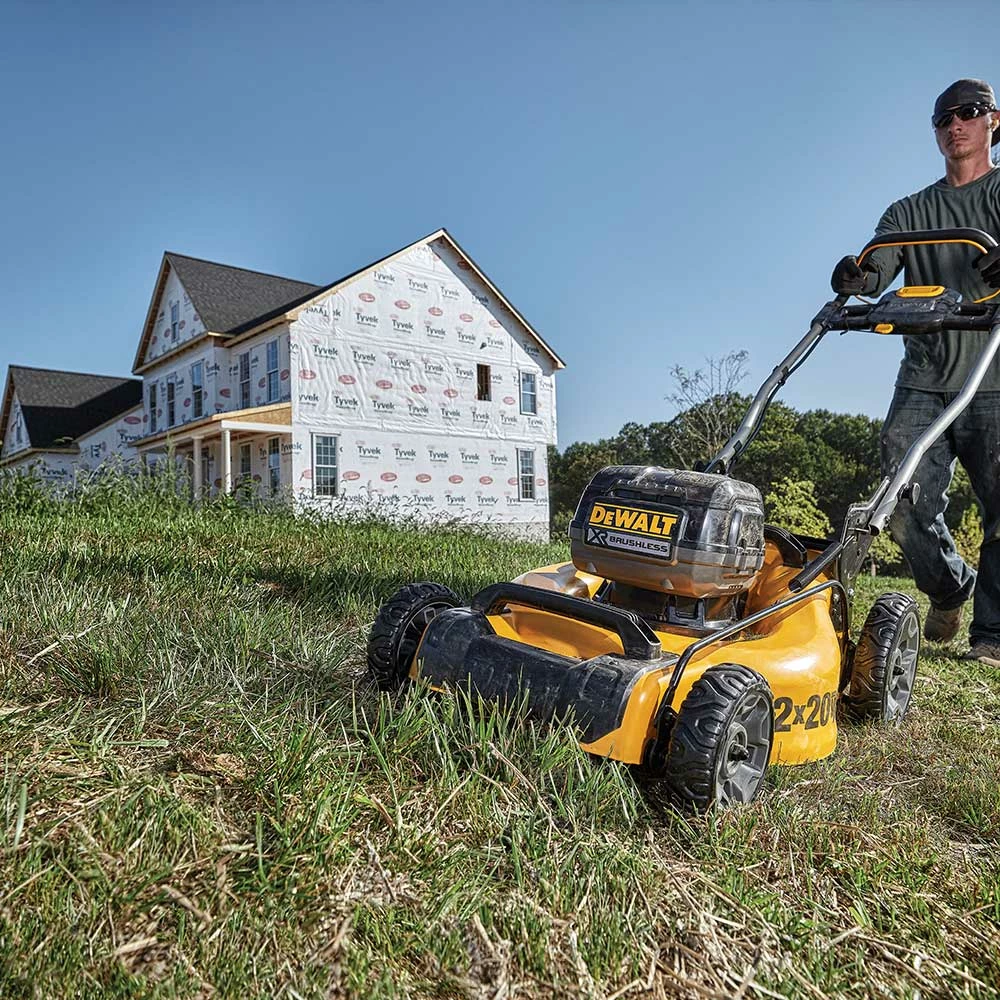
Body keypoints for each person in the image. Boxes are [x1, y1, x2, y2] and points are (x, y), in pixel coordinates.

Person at [831, 79, 1000, 663]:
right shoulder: (909, 211)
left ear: (993, 121)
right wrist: (858, 277)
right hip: (925, 377)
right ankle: (949, 586)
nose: (955, 125)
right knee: (901, 498)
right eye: (943, 118)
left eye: (968, 113)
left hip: (994, 375)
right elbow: (877, 265)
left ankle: (992, 636)